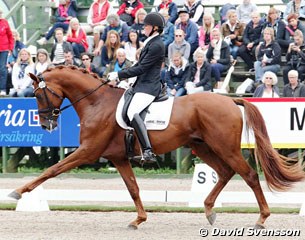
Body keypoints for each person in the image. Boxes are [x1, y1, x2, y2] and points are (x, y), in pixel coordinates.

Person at [107, 12, 165, 163]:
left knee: (132, 111)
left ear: (155, 28)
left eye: (147, 26)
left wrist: (119, 75)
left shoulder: (157, 45)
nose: (144, 28)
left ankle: (148, 151)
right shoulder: (150, 42)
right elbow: (138, 65)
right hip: (140, 84)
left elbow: (142, 68)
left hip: (149, 86)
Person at [6, 30, 26, 94]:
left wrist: (16, 63)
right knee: (5, 72)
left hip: (18, 64)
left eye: (14, 35)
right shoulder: (5, 45)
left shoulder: (20, 45)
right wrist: (7, 63)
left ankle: (13, 88)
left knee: (12, 72)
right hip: (7, 64)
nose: (13, 37)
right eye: (11, 35)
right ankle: (6, 89)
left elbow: (23, 54)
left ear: (17, 36)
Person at [0, 7, 14, 96]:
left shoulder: (5, 22)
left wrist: (10, 48)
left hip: (4, 49)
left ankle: (2, 89)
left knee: (2, 69)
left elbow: (10, 35)